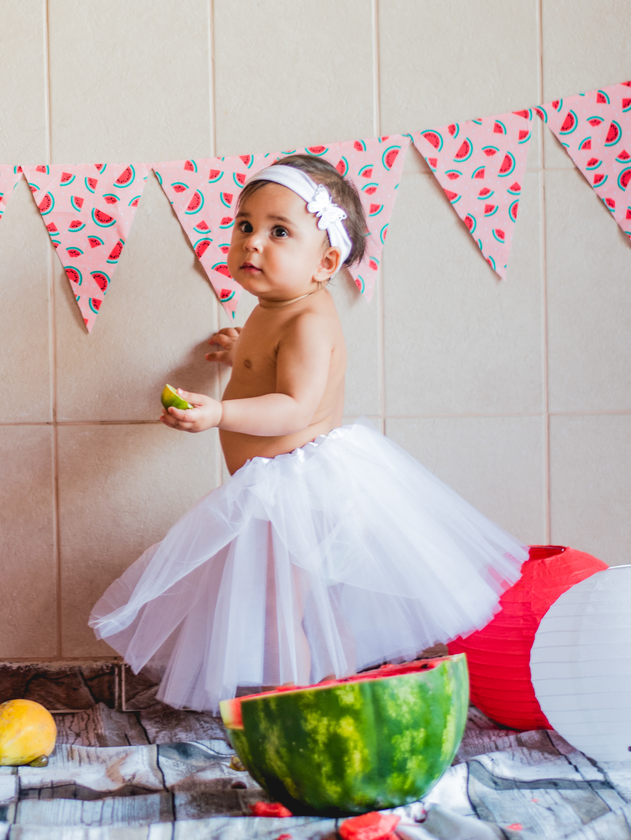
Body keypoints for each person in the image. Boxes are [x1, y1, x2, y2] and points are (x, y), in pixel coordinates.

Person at [89, 155, 527, 714]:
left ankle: (312, 711)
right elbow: (270, 359)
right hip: (277, 488)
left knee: (282, 611)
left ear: (324, 263)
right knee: (294, 607)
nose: (252, 243)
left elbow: (295, 407)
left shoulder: (308, 320)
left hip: (301, 489)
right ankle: (337, 697)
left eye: (278, 233)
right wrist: (240, 348)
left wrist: (219, 414)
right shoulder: (274, 308)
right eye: (245, 225)